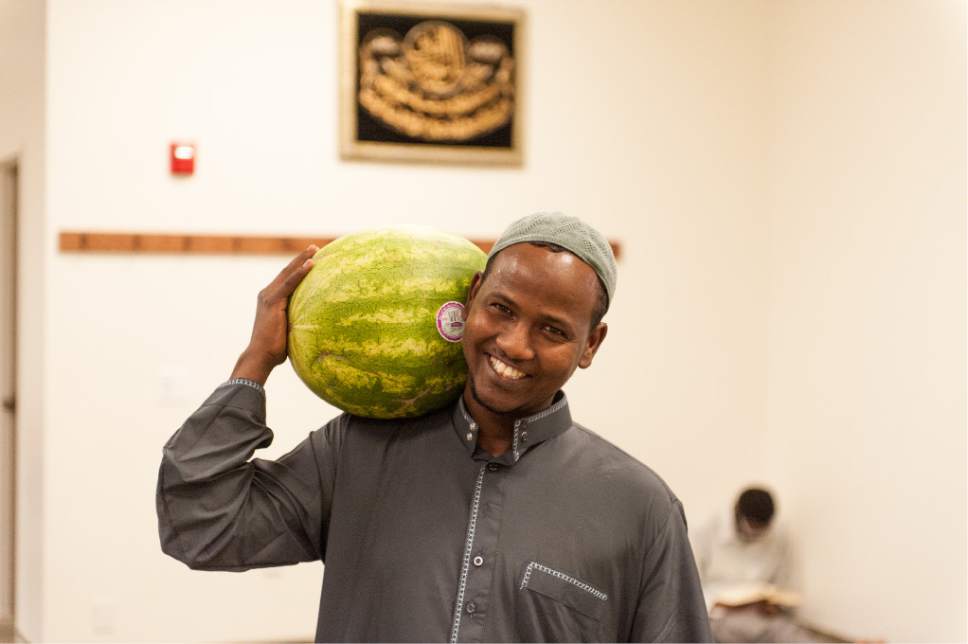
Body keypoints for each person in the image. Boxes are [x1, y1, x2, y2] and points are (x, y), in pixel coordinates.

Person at [156, 212, 712, 642]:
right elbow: (202, 528)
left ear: (591, 344)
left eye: (552, 329)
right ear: (471, 298)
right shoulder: (359, 452)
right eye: (501, 308)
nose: (514, 344)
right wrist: (257, 361)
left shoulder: (640, 509)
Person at [694, 487, 845, 643]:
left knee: (791, 634)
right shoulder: (705, 530)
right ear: (738, 514)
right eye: (753, 527)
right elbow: (691, 588)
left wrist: (776, 604)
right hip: (720, 617)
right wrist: (722, 604)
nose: (756, 533)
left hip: (763, 616)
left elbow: (785, 586)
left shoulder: (780, 533)